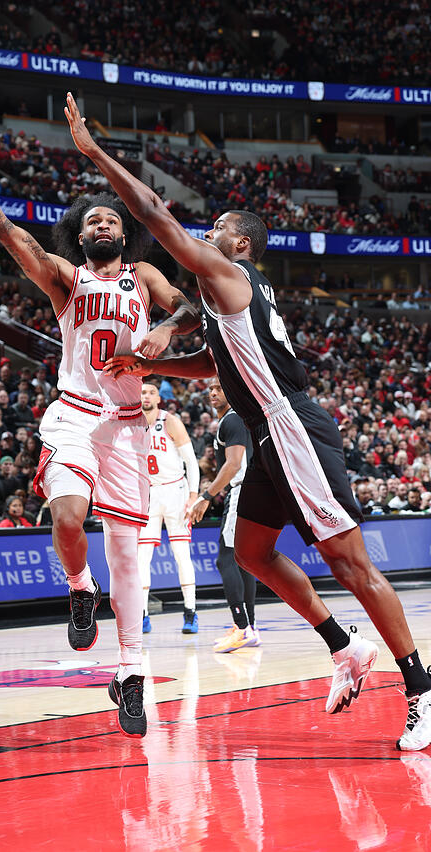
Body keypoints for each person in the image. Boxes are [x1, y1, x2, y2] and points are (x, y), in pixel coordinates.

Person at [65, 93, 431, 752]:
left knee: (350, 566)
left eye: (216, 228)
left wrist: (96, 154)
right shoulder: (230, 299)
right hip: (267, 432)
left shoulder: (230, 271)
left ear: (238, 242)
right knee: (254, 552)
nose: (203, 235)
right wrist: (154, 369)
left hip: (291, 427)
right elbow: (214, 365)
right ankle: (344, 647)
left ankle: (423, 690)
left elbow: (154, 216)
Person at [0, 137, 200, 738]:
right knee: (69, 519)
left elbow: (190, 310)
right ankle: (78, 586)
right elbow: (7, 234)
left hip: (129, 428)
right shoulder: (65, 280)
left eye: (113, 218)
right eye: (93, 219)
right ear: (79, 234)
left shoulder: (144, 275)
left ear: (124, 235)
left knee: (129, 557)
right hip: (75, 415)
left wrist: (164, 331)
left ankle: (130, 671)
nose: (104, 222)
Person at [194, 377, 260, 652]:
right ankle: (248, 628)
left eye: (219, 388)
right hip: (252, 491)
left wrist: (206, 497)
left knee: (225, 560)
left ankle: (242, 627)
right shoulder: (239, 418)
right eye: (210, 389)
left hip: (241, 491)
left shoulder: (231, 420)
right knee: (243, 561)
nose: (213, 393)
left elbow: (233, 465)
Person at [138, 381, 200, 634]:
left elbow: (191, 461)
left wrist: (194, 495)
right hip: (149, 493)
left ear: (158, 398)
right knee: (142, 558)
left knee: (181, 554)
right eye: (143, 392)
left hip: (175, 491)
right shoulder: (132, 423)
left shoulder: (170, 421)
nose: (147, 396)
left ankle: (190, 612)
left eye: (151, 392)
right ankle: (141, 614)